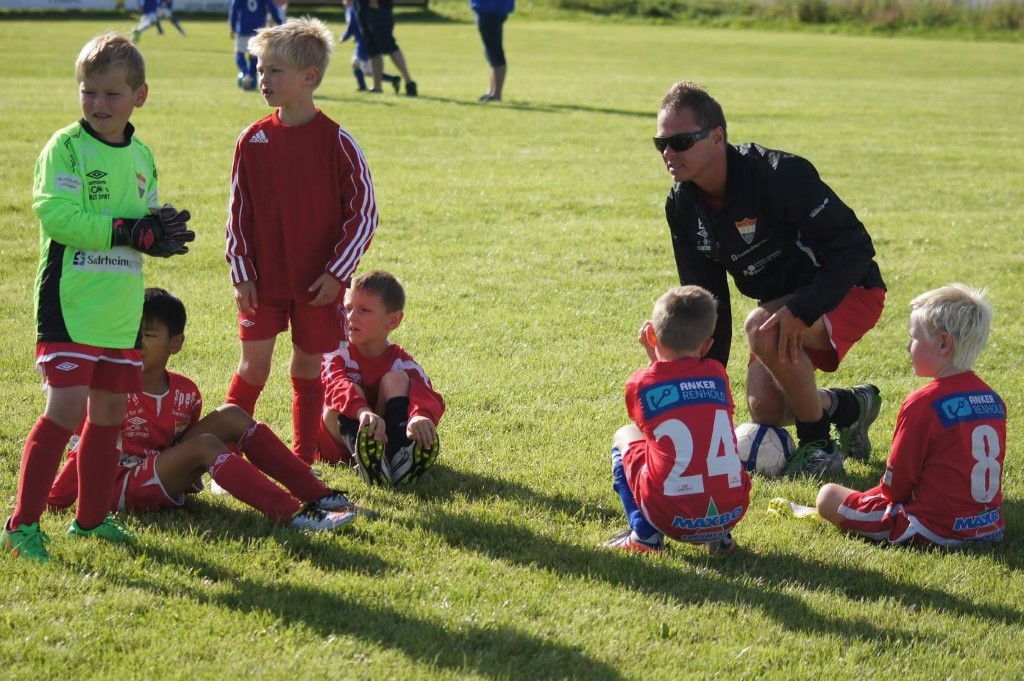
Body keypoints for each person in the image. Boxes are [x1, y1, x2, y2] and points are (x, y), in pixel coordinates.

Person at [1, 33, 194, 563]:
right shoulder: (65, 147)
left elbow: (145, 222)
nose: (99, 104)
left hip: (121, 311)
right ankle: (21, 526)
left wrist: (158, 232)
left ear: (140, 95)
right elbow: (57, 216)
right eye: (89, 92)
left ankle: (89, 523)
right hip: (71, 303)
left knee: (108, 416)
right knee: (64, 409)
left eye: (112, 93)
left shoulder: (142, 155)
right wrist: (129, 230)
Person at [656, 81, 887, 477]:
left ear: (717, 137)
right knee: (765, 410)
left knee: (760, 329)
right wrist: (705, 385)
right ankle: (847, 407)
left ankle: (818, 448)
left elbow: (856, 248)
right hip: (784, 307)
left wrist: (802, 309)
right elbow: (708, 302)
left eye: (679, 141)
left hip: (849, 289)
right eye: (660, 144)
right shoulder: (682, 204)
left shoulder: (780, 174)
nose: (668, 154)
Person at [47, 288, 370, 532]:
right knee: (206, 446)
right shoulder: (108, 391)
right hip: (119, 486)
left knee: (232, 414)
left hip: (157, 468)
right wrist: (55, 501)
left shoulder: (186, 392)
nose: (136, 343)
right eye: (129, 334)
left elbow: (174, 446)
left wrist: (183, 470)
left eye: (147, 335)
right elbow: (81, 452)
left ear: (176, 343)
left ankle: (321, 497)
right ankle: (294, 515)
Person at [225, 17, 378, 465]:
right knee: (253, 367)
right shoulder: (252, 139)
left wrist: (337, 274)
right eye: (260, 69)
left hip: (318, 283)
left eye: (275, 70)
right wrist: (242, 273)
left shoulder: (337, 141)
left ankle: (302, 461)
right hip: (263, 281)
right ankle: (226, 456)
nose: (262, 79)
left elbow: (364, 214)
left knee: (307, 370)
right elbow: (237, 214)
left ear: (309, 77)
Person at [769, 284, 1006, 547]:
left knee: (827, 496)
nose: (908, 347)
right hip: (989, 528)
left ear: (943, 343)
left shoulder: (922, 403)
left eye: (913, 338)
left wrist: (866, 498)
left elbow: (895, 489)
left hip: (932, 530)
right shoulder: (994, 400)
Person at [604, 285, 750, 554]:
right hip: (732, 510)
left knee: (625, 435)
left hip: (671, 516)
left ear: (651, 334)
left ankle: (644, 536)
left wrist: (652, 358)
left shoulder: (639, 383)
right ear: (707, 345)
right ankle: (720, 539)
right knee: (704, 433)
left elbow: (651, 429)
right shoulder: (718, 374)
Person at [320, 271, 444, 486]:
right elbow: (333, 384)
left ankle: (397, 459)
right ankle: (367, 459)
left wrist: (420, 416)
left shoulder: (402, 362)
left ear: (393, 320)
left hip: (384, 437)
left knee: (396, 379)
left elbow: (428, 394)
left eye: (364, 310)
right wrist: (362, 411)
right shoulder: (335, 350)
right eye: (347, 308)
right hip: (337, 445)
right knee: (347, 394)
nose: (351, 317)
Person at [353, 0, 417, 96]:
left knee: (389, 45)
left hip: (377, 7)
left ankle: (409, 82)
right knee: (372, 48)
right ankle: (377, 87)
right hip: (364, 7)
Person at [341, 0, 401, 94]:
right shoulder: (351, 9)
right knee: (366, 69)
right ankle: (392, 79)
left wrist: (344, 37)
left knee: (360, 66)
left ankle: (364, 87)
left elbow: (352, 26)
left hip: (362, 44)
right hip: (360, 42)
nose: (344, 2)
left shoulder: (353, 10)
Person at [229, 0, 285, 90]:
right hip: (258, 30)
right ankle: (251, 78)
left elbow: (234, 9)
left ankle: (245, 73)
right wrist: (279, 22)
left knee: (239, 53)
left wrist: (232, 27)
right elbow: (271, 7)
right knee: (254, 56)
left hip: (243, 29)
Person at [470, 0, 513, 102]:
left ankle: (496, 93)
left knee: (494, 52)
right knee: (491, 51)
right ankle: (493, 91)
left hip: (490, 9)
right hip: (492, 9)